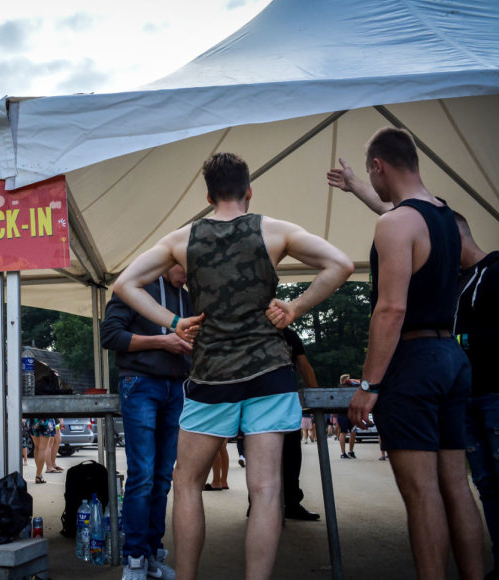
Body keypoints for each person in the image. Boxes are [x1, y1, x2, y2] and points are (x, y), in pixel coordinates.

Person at [113, 152, 353, 580]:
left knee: (187, 484)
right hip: (271, 375)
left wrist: (174, 322)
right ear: (249, 190)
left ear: (207, 195)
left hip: (212, 377)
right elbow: (341, 264)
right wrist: (294, 307)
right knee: (265, 490)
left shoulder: (181, 240)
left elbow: (124, 284)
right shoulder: (275, 230)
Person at [332, 127, 483, 579]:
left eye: (369, 173)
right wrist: (358, 188)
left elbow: (391, 308)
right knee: (456, 485)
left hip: (413, 363)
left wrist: (368, 384)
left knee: (421, 492)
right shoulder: (445, 217)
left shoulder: (396, 224)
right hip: (452, 359)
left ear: (379, 165)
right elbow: (400, 217)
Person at [101, 262, 191, 580]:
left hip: (176, 388)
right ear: (170, 258)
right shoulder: (134, 287)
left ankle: (151, 554)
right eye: (186, 265)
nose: (190, 273)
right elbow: (109, 335)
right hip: (140, 384)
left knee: (163, 477)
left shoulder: (187, 297)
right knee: (142, 475)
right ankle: (134, 558)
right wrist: (161, 342)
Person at [453, 212, 499, 577]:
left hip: (496, 397)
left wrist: (458, 342)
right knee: (485, 485)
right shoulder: (455, 283)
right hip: (466, 400)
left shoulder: (497, 272)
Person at [279, 327, 320, 521]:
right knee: (266, 456)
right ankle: (259, 504)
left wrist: (317, 399)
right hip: (262, 399)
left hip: (285, 400)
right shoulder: (251, 326)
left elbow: (303, 365)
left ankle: (291, 503)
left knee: (290, 455)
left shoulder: (288, 333)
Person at [29, 418, 56, 484]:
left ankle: (39, 473)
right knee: (43, 449)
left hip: (32, 419)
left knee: (37, 448)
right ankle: (38, 475)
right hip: (45, 419)